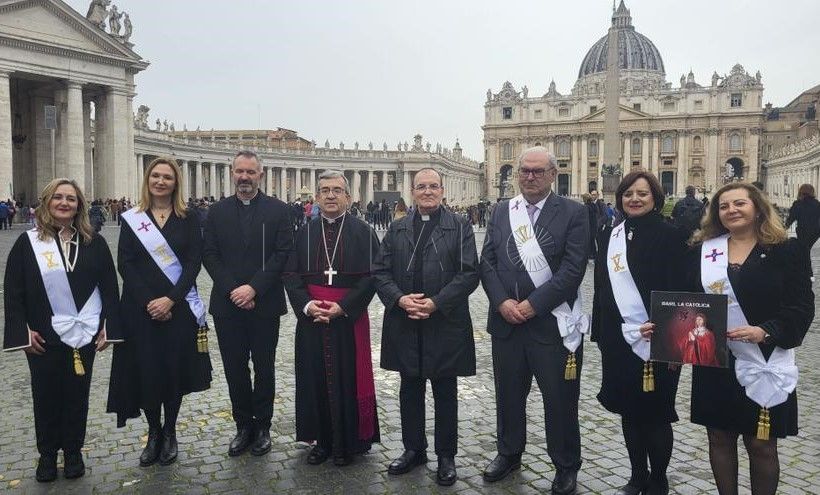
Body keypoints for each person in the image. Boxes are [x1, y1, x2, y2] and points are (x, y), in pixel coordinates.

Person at [686, 182, 814, 494]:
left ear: (757, 207)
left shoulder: (787, 249)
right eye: (724, 206)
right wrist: (670, 334)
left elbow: (801, 306)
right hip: (715, 358)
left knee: (761, 444)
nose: (731, 210)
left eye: (739, 203)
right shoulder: (703, 251)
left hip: (764, 357)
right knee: (719, 437)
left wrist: (766, 330)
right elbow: (688, 302)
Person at [479, 146, 589, 494]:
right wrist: (501, 302)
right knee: (508, 396)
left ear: (553, 175)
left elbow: (573, 270)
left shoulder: (574, 212)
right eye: (524, 170)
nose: (529, 176)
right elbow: (488, 262)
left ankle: (566, 464)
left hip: (552, 324)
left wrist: (531, 305)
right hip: (507, 324)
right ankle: (509, 452)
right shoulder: (500, 211)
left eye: (538, 171)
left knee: (559, 400)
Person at [3, 179, 120, 482]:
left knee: (77, 396)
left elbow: (109, 288)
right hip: (41, 337)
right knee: (45, 396)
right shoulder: (28, 242)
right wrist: (21, 333)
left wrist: (109, 326)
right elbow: (13, 292)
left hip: (85, 336)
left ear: (79, 204)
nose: (64, 203)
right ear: (47, 202)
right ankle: (46, 455)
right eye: (58, 197)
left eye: (71, 198)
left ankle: (72, 452)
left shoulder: (94, 241)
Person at [374, 168, 479, 486]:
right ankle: (413, 449)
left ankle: (446, 455)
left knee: (445, 389)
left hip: (444, 320)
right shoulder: (397, 227)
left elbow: (469, 273)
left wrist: (435, 303)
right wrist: (401, 300)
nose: (428, 191)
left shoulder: (460, 226)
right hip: (405, 319)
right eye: (422, 187)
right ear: (413, 191)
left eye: (434, 186)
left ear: (442, 190)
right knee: (410, 387)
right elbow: (380, 271)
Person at [107, 157, 212, 467]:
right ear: (147, 180)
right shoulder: (132, 218)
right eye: (156, 176)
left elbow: (194, 262)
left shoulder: (189, 217)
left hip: (177, 308)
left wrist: (171, 300)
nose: (161, 181)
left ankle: (170, 431)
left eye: (167, 176)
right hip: (140, 309)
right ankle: (153, 431)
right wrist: (150, 302)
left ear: (175, 182)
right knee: (147, 369)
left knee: (172, 369)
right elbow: (125, 263)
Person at [592, 171, 688, 495]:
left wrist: (674, 341)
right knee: (629, 411)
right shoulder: (610, 234)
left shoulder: (673, 235)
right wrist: (601, 335)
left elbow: (684, 290)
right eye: (629, 193)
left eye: (642, 193)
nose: (634, 198)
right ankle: (637, 475)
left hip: (659, 340)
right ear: (620, 197)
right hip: (620, 339)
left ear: (655, 198)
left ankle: (658, 477)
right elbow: (602, 288)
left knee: (658, 414)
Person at [283, 170, 381, 466]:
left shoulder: (363, 232)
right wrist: (306, 305)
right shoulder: (303, 232)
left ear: (348, 197)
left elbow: (374, 276)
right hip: (312, 317)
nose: (330, 195)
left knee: (349, 379)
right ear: (316, 197)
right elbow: (290, 274)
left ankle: (349, 442)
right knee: (314, 379)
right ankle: (322, 441)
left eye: (337, 190)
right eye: (324, 190)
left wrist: (345, 307)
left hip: (347, 318)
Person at [202, 151, 293, 457]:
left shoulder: (280, 211)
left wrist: (253, 288)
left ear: (261, 174)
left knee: (265, 367)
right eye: (239, 171)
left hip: (265, 303)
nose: (244, 177)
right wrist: (234, 290)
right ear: (232, 173)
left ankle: (264, 426)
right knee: (234, 368)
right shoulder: (215, 212)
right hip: (227, 305)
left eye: (250, 172)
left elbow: (282, 254)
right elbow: (209, 255)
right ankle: (243, 426)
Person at [785, 184, 820, 277]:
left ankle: (807, 272)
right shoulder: (817, 203)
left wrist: (783, 228)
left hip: (803, 231)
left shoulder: (798, 204)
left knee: (804, 251)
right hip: (815, 232)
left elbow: (790, 219)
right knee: (805, 250)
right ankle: (807, 272)